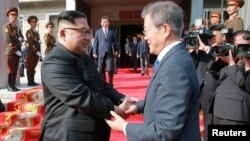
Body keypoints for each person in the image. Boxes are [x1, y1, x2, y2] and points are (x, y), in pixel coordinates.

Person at [106, 1, 201, 141]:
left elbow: (165, 130)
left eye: (147, 30)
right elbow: (164, 98)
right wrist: (138, 107)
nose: (145, 37)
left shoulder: (174, 67)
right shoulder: (174, 58)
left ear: (165, 30)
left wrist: (125, 127)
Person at [39, 10, 134, 141]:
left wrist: (122, 99)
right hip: (67, 135)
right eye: (83, 32)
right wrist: (114, 110)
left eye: (89, 32)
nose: (89, 38)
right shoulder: (54, 61)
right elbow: (80, 96)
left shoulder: (84, 57)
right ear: (63, 34)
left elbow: (101, 85)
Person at [211, 30, 250, 125]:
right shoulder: (235, 58)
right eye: (235, 43)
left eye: (240, 45)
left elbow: (243, 82)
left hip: (234, 114)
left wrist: (232, 64)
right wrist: (220, 58)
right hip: (218, 110)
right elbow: (214, 73)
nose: (236, 47)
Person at [93, 16, 119, 86]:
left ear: (109, 23)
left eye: (107, 22)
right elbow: (95, 43)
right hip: (100, 53)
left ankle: (111, 81)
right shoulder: (98, 32)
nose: (105, 23)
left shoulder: (112, 32)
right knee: (101, 69)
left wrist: (117, 50)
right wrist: (94, 52)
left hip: (109, 54)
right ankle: (102, 83)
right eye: (104, 22)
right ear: (101, 23)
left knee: (110, 69)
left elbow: (116, 42)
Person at [3, 7, 24, 91]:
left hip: (17, 51)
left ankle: (13, 85)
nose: (14, 17)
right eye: (12, 15)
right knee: (11, 69)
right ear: (9, 16)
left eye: (15, 15)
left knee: (15, 69)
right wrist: (16, 50)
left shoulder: (17, 28)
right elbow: (8, 39)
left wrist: (21, 38)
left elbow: (21, 36)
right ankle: (9, 86)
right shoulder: (7, 26)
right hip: (11, 51)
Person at [26, 15, 41, 86]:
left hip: (36, 53)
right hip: (31, 52)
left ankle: (32, 81)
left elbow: (38, 42)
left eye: (35, 22)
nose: (34, 23)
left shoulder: (37, 32)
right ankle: (29, 81)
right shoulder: (29, 32)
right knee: (30, 67)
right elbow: (31, 43)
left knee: (34, 67)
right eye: (32, 22)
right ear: (30, 23)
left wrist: (39, 52)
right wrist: (36, 51)